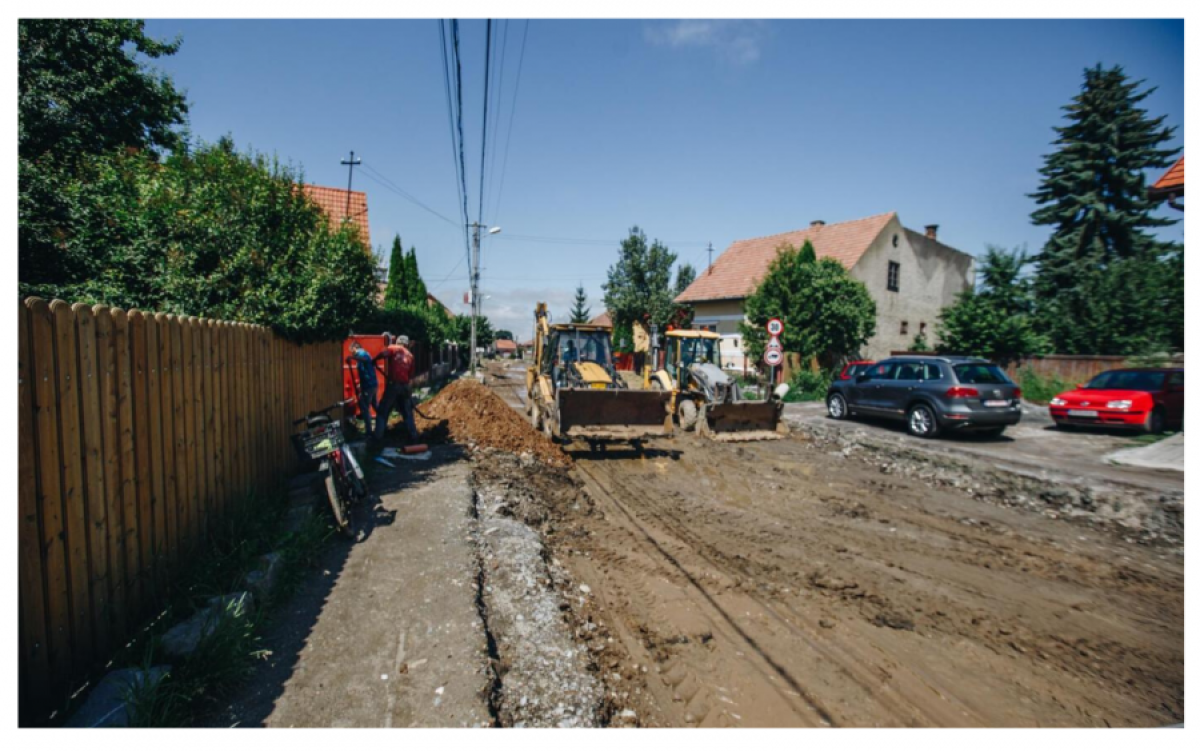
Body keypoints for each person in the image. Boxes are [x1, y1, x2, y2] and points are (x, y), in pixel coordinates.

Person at [374, 333, 418, 443]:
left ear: (399, 342)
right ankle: (413, 436)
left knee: (383, 410)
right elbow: (411, 375)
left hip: (394, 384)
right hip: (405, 386)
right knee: (407, 412)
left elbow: (383, 353)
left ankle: (377, 437)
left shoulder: (394, 348)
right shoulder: (410, 356)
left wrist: (374, 360)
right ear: (406, 344)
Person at [347, 340, 379, 436]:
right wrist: (360, 384)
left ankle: (369, 431)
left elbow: (365, 359)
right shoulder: (363, 355)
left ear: (354, 348)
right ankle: (382, 424)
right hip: (371, 384)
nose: (351, 353)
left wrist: (352, 357)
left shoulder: (362, 354)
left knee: (364, 407)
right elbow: (365, 370)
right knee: (375, 405)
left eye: (351, 350)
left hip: (369, 386)